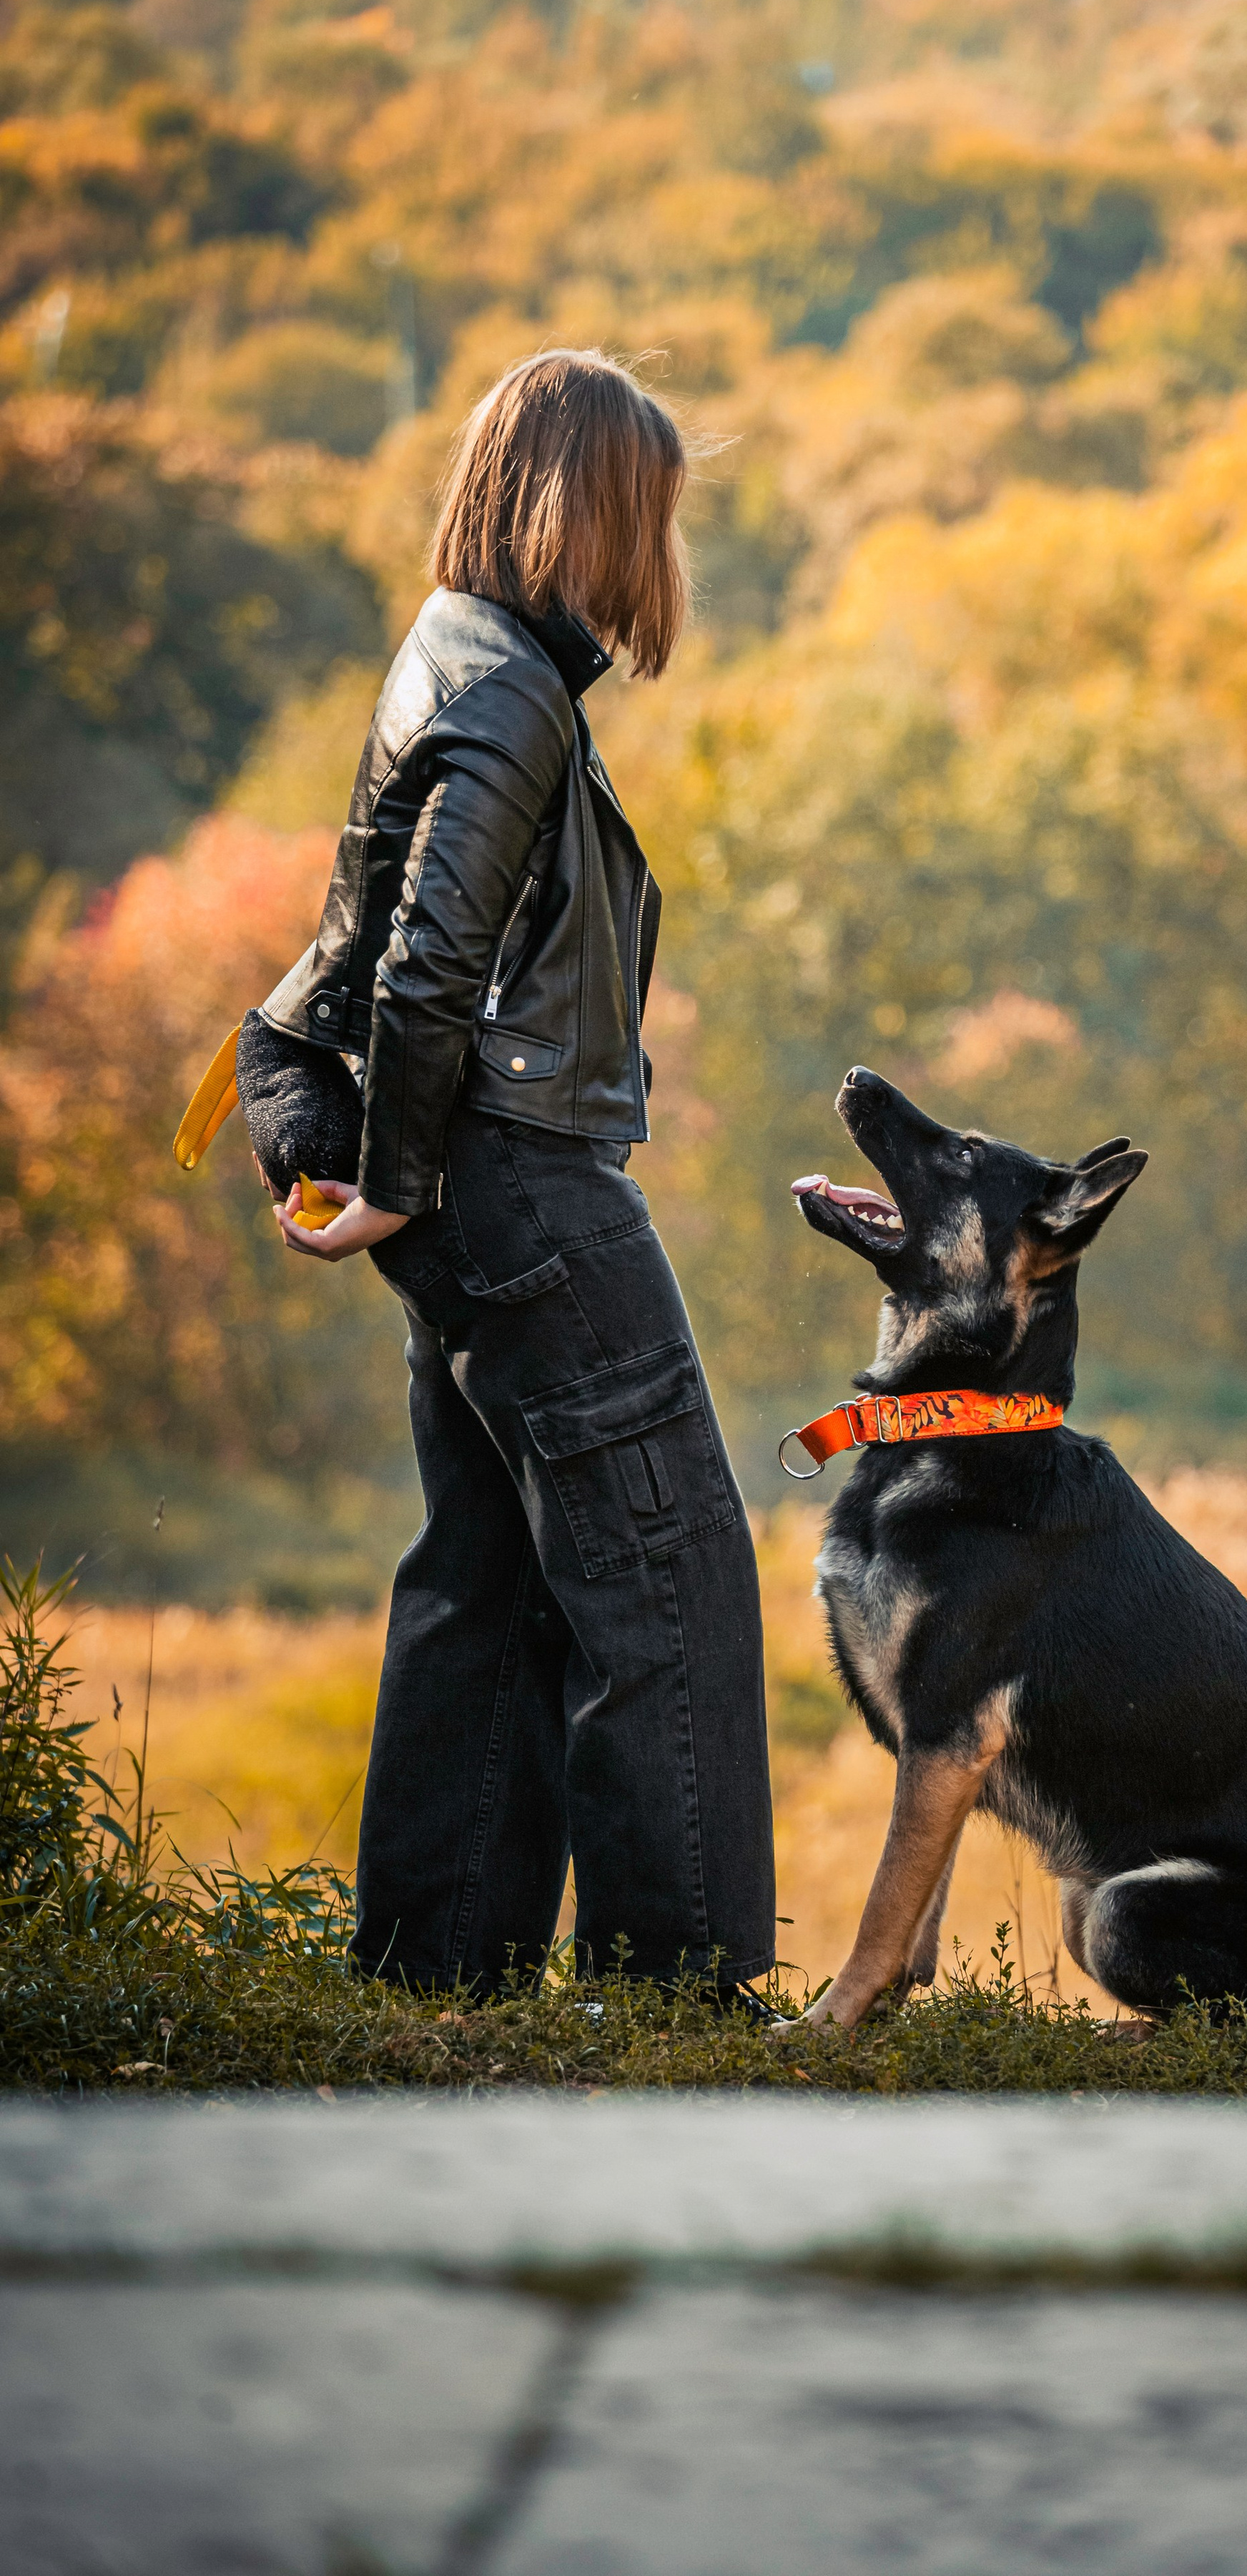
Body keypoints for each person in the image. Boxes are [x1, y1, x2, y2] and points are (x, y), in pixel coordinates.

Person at [260, 349, 776, 2004]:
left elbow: (401, 949)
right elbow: (426, 962)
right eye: (653, 511)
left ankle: (433, 1979)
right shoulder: (508, 696)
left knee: (488, 1583)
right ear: (597, 509)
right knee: (671, 1573)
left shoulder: (457, 655)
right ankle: (681, 2000)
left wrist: (409, 1185)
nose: (662, 552)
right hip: (524, 1187)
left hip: (477, 1190)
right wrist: (402, 1178)